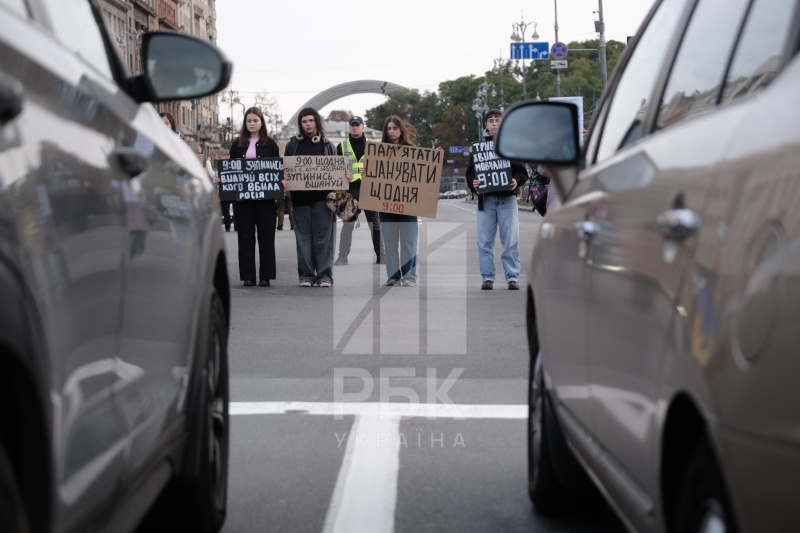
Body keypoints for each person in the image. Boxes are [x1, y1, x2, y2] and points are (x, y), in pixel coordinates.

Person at [466, 108, 528, 291]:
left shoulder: (511, 145)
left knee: (510, 240)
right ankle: (487, 278)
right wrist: (473, 183)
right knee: (484, 241)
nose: (494, 123)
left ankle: (512, 277)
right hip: (486, 201)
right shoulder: (478, 148)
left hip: (507, 200)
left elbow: (522, 173)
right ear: (486, 124)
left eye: (497, 119)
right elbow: (470, 174)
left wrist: (516, 181)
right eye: (490, 120)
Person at [283, 107, 337, 287]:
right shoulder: (292, 145)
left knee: (324, 239)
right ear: (300, 124)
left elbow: (337, 171)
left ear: (317, 122)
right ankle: (306, 275)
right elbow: (286, 170)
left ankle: (324, 276)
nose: (307, 124)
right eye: (304, 121)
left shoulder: (328, 145)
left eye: (311, 121)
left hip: (323, 200)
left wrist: (345, 176)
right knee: (303, 239)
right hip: (299, 201)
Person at [229, 107, 280, 287]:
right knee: (245, 236)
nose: (252, 123)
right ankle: (248, 276)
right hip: (243, 200)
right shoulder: (237, 144)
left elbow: (277, 169)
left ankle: (265, 276)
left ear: (261, 122)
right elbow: (231, 169)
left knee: (267, 236)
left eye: (255, 121)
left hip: (265, 200)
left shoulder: (271, 144)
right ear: (245, 123)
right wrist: (223, 178)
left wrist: (281, 181)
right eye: (249, 121)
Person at [334, 116, 382, 265]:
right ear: (349, 127)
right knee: (347, 225)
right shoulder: (342, 147)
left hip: (368, 188)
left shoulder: (373, 146)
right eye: (352, 125)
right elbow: (335, 169)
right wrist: (343, 174)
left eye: (357, 125)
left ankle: (381, 255)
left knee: (374, 224)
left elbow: (381, 169)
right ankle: (343, 257)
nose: (355, 127)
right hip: (350, 189)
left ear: (363, 127)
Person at [379, 116, 420, 287]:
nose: (391, 132)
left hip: (408, 204)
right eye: (388, 129)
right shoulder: (378, 151)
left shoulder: (412, 149)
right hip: (386, 204)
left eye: (395, 128)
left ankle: (409, 276)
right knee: (389, 243)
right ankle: (393, 276)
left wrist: (432, 158)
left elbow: (422, 176)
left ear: (401, 130)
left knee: (408, 242)